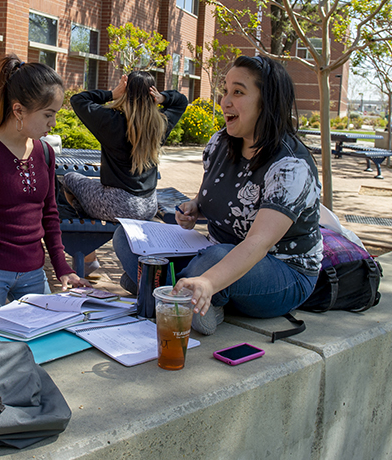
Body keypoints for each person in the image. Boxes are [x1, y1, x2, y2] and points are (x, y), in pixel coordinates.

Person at [112, 55, 322, 335]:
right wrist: (195, 207)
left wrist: (208, 282)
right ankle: (177, 295)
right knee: (127, 237)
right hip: (213, 252)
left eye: (238, 92)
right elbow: (210, 194)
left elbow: (258, 243)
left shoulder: (290, 165)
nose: (225, 101)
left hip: (281, 271)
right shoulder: (221, 143)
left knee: (214, 258)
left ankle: (161, 290)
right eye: (225, 91)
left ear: (268, 100)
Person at [0, 54, 87, 313]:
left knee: (41, 346)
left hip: (34, 273)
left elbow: (50, 215)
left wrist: (62, 266)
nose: (53, 124)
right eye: (48, 115)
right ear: (18, 110)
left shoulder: (45, 152)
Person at [63, 72, 187, 274]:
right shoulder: (160, 124)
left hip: (117, 205)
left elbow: (78, 100)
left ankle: (87, 256)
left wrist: (112, 93)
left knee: (69, 179)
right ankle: (88, 255)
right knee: (87, 190)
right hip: (148, 206)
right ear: (152, 94)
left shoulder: (111, 121)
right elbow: (181, 101)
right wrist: (164, 98)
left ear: (126, 92)